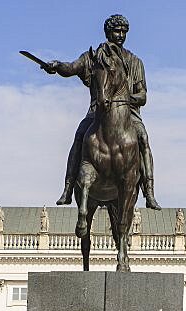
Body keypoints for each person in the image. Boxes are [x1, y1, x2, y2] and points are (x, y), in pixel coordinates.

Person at [40, 14, 161, 210]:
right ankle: (68, 187)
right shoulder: (92, 58)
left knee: (143, 139)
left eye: (124, 32)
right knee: (79, 135)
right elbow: (70, 68)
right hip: (96, 112)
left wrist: (126, 99)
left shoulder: (135, 62)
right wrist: (56, 66)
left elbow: (143, 96)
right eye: (116, 31)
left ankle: (149, 191)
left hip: (128, 114)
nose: (120, 35)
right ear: (107, 32)